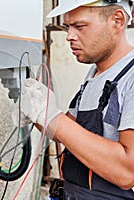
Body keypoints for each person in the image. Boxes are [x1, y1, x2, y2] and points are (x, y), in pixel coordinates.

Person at [17, 0, 134, 199]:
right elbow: (67, 132)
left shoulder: (130, 76)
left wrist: (52, 117)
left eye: (79, 26)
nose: (69, 36)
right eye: (67, 27)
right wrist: (36, 109)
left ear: (117, 20)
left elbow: (126, 171)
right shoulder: (95, 74)